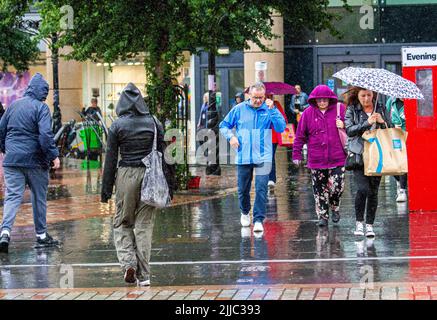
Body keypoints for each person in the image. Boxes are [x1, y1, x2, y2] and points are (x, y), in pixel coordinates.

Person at [101, 83, 175, 286]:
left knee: (122, 223)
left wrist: (105, 190)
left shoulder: (117, 125)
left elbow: (110, 160)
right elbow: (166, 154)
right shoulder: (154, 122)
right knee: (144, 226)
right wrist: (171, 184)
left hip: (126, 175)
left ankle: (128, 264)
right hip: (151, 176)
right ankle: (145, 275)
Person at [0, 73, 61, 253]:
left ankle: (4, 232)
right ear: (42, 92)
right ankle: (41, 235)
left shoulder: (13, 106)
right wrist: (53, 156)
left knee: (12, 197)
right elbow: (45, 136)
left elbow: (1, 130)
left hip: (12, 161)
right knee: (39, 197)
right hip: (35, 162)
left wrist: (6, 150)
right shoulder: (41, 108)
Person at [219, 82, 286, 234]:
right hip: (244, 154)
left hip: (263, 155)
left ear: (265, 96)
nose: (258, 100)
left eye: (261, 97)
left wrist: (273, 110)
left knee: (262, 188)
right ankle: (244, 212)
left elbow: (281, 127)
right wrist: (231, 138)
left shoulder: (269, 109)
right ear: (249, 95)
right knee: (243, 189)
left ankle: (258, 220)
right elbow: (224, 125)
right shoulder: (239, 109)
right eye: (255, 97)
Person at [292, 85, 347, 227]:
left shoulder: (340, 109)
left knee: (337, 186)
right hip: (317, 159)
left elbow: (351, 128)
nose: (322, 102)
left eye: (325, 100)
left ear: (330, 99)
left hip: (337, 157)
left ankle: (335, 206)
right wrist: (296, 154)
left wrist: (344, 125)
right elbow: (299, 136)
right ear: (314, 100)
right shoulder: (307, 114)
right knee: (319, 189)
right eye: (319, 100)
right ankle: (323, 215)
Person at [344, 87, 392, 238]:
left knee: (373, 191)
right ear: (357, 96)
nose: (366, 99)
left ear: (374, 95)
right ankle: (359, 222)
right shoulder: (352, 109)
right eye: (363, 95)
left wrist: (382, 121)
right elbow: (349, 130)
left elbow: (390, 129)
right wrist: (367, 123)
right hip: (359, 155)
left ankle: (370, 225)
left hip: (377, 155)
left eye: (369, 95)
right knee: (363, 189)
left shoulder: (381, 108)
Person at [386, 97, 407, 202]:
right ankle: (399, 181)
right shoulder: (391, 101)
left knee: (402, 162)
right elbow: (387, 118)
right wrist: (393, 125)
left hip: (407, 136)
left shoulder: (411, 102)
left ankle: (402, 190)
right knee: (392, 163)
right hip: (394, 136)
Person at [266, 94, 288, 188]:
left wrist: (273, 112)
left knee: (270, 157)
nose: (269, 98)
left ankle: (271, 179)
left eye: (270, 96)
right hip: (260, 135)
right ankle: (265, 178)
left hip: (272, 136)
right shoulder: (257, 106)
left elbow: (283, 120)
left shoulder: (276, 104)